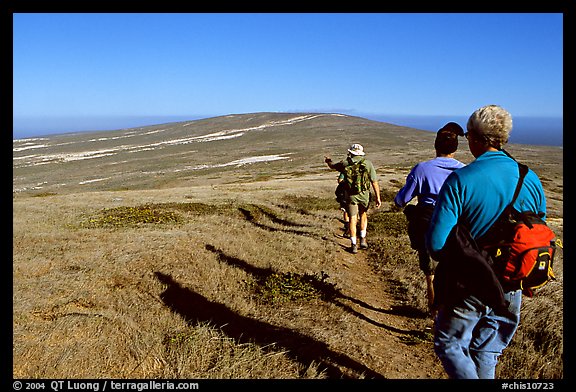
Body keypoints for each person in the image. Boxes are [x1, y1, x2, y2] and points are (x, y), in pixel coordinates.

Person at [425, 105, 548, 379]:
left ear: (477, 139)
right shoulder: (531, 178)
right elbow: (538, 227)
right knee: (487, 351)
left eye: (468, 135)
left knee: (450, 343)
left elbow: (436, 245)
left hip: (471, 283)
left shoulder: (461, 180)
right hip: (512, 282)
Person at [394, 122, 465, 312]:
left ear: (435, 145)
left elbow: (401, 200)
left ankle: (434, 312)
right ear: (456, 148)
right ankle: (451, 311)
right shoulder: (464, 171)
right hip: (458, 225)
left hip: (428, 223)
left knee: (431, 272)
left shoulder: (422, 169)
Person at [324, 143, 382, 254]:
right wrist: (378, 198)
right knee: (363, 215)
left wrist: (328, 161)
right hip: (364, 195)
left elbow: (332, 166)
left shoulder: (345, 163)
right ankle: (363, 239)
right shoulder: (368, 164)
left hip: (350, 195)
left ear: (351, 152)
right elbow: (374, 182)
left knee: (352, 218)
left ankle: (354, 244)